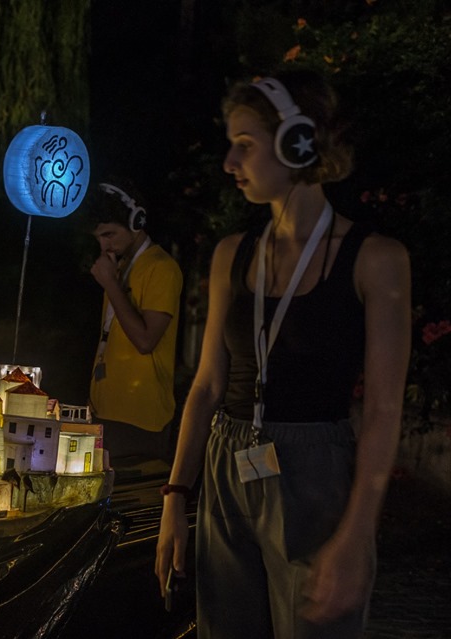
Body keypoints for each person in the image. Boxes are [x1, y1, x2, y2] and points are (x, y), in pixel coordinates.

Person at [154, 69, 411, 638]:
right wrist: (175, 496)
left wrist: (356, 536)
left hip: (315, 471)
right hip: (228, 460)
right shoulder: (233, 254)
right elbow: (207, 385)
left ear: (298, 143)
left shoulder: (376, 259)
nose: (229, 162)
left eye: (245, 145)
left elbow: (383, 410)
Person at [86, 179, 183, 461]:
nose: (104, 245)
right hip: (105, 410)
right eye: (99, 238)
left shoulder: (162, 268)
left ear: (136, 221)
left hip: (140, 418)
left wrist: (110, 284)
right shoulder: (122, 266)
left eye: (109, 234)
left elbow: (145, 341)